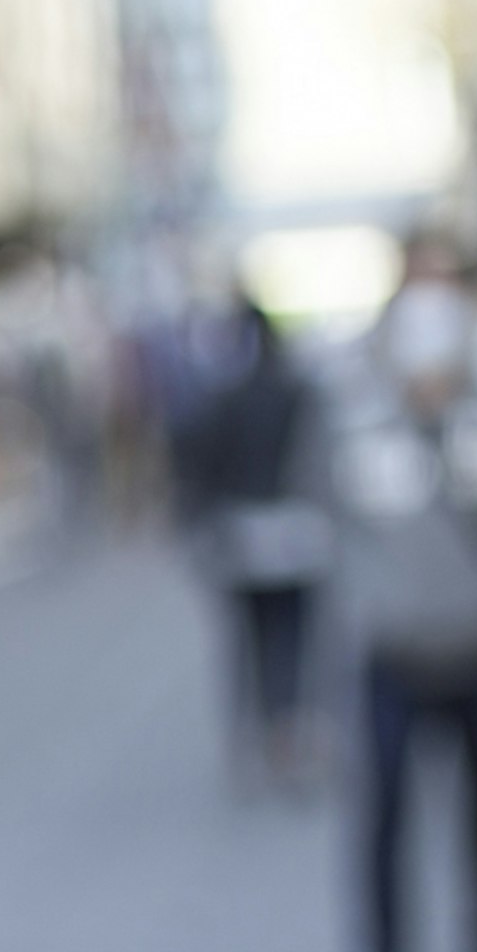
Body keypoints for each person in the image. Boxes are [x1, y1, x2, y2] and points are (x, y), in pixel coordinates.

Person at [319, 277, 477, 952]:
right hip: (396, 654)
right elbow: (340, 537)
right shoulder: (363, 433)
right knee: (384, 814)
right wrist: (370, 614)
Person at [172, 298, 327, 793]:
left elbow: (198, 469)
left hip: (243, 530)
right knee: (290, 636)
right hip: (291, 530)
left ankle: (260, 737)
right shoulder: (294, 389)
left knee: (250, 640)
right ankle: (285, 734)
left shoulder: (222, 397)